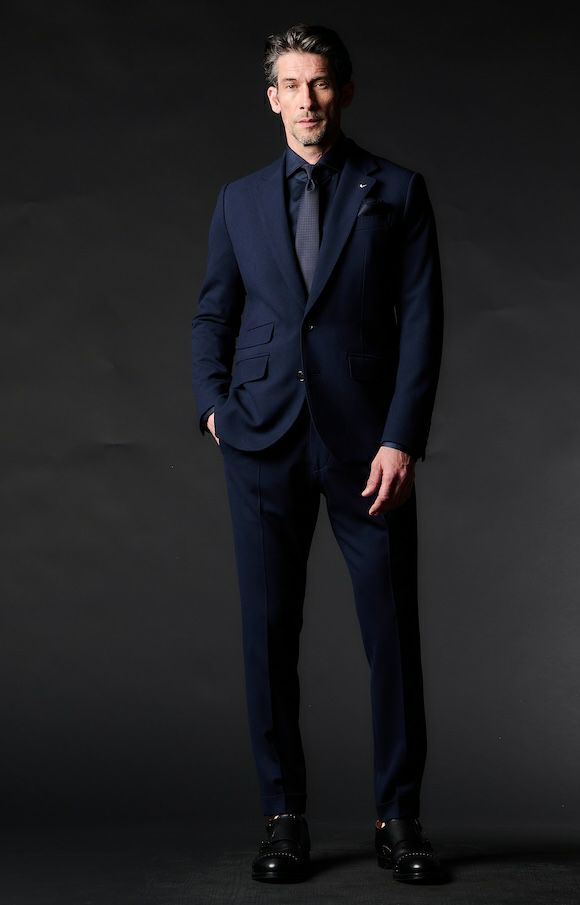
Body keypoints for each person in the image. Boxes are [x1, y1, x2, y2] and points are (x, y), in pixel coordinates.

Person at [191, 23, 444, 885]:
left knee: (391, 634)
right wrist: (214, 410)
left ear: (345, 91)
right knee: (268, 634)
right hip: (261, 441)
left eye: (322, 83)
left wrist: (401, 436)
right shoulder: (238, 199)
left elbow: (423, 323)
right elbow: (213, 313)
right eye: (292, 86)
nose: (308, 100)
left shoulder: (397, 191)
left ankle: (399, 817)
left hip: (368, 447)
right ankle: (282, 816)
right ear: (272, 99)